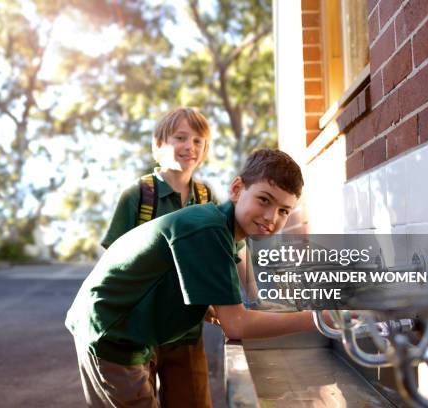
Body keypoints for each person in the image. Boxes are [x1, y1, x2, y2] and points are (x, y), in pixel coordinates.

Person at [66, 148, 319, 408]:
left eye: (284, 211)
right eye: (264, 200)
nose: (271, 217)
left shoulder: (222, 229)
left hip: (132, 329)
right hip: (111, 333)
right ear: (236, 189)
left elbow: (189, 286)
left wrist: (221, 310)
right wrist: (319, 318)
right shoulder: (209, 230)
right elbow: (237, 325)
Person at [100, 107, 217, 407]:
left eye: (198, 141)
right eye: (180, 138)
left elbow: (220, 257)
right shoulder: (138, 196)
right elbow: (112, 264)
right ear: (158, 145)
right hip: (140, 332)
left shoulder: (206, 199)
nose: (189, 146)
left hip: (186, 332)